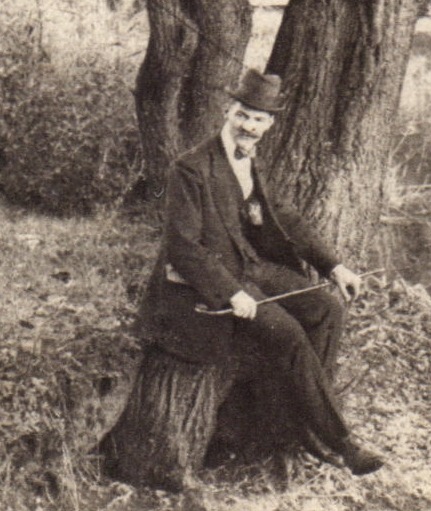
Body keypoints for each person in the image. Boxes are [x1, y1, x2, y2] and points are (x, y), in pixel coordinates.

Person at [135, 69, 385, 476]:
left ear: (270, 124)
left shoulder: (252, 162)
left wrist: (334, 265)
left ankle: (294, 426)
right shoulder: (191, 168)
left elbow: (285, 216)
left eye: (258, 119)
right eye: (242, 115)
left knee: (327, 309)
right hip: (208, 286)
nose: (249, 126)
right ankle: (339, 443)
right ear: (227, 112)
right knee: (287, 334)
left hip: (251, 266)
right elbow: (183, 247)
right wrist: (230, 293)